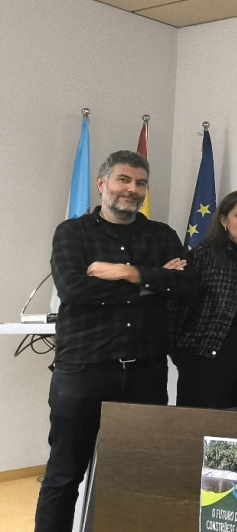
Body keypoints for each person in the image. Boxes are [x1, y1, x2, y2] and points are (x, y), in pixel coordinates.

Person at [38, 150, 194, 532]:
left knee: (139, 479)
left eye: (140, 183)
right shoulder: (71, 232)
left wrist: (125, 272)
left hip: (145, 372)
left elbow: (187, 284)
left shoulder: (162, 235)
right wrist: (150, 281)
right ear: (102, 184)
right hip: (82, 372)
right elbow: (74, 289)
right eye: (124, 180)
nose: (133, 189)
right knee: (63, 477)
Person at [172, 190, 237, 409]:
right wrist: (180, 353)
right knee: (205, 426)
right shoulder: (202, 256)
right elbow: (178, 309)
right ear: (224, 220)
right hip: (205, 356)